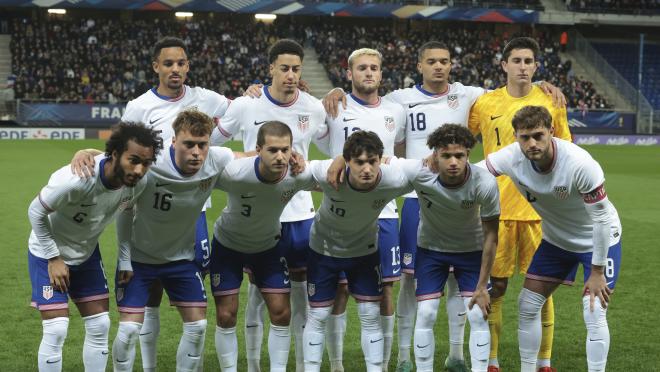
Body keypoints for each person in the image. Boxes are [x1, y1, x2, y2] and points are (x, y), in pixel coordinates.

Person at [322, 39, 566, 372]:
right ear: (419, 66)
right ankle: (406, 357)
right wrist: (338, 89)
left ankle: (457, 355)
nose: (439, 66)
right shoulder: (398, 101)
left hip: (460, 196)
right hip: (414, 198)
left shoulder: (471, 95)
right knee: (409, 280)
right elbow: (366, 105)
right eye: (432, 61)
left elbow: (513, 88)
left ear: (452, 65)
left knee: (457, 281)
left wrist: (538, 84)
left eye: (445, 61)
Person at [74, 36, 232, 372]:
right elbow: (120, 149)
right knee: (150, 295)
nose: (176, 69)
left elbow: (243, 111)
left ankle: (192, 363)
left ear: (188, 65)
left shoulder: (206, 98)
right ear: (156, 67)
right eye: (169, 63)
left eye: (182, 63)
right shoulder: (140, 106)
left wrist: (257, 94)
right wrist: (88, 152)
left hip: (194, 209)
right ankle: (146, 365)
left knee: (190, 291)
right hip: (147, 204)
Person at [211, 39, 327, 372]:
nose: (290, 75)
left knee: (299, 299)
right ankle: (252, 365)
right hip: (256, 213)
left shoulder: (313, 108)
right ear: (270, 69)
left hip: (300, 212)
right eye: (284, 68)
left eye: (296, 69)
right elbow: (211, 146)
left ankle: (305, 365)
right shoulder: (246, 105)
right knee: (256, 297)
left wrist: (336, 96)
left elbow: (334, 143)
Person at [481, 105, 621, 372]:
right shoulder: (511, 157)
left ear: (552, 132)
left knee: (593, 309)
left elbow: (602, 220)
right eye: (524, 137)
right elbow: (475, 173)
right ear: (516, 137)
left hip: (599, 240)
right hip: (557, 241)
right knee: (527, 304)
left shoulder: (580, 164)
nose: (532, 143)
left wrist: (597, 271)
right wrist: (432, 167)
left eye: (538, 135)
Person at [110, 110, 246, 372]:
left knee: (197, 327)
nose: (197, 152)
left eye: (202, 144)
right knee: (128, 331)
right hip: (139, 259)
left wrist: (291, 159)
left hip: (181, 260)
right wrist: (125, 259)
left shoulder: (216, 159)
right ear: (174, 141)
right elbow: (124, 208)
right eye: (189, 144)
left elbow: (248, 158)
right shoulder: (151, 164)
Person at [468, 37, 572, 372]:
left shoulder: (551, 100)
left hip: (538, 213)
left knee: (542, 289)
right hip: (495, 210)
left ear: (536, 66)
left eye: (529, 61)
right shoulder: (485, 103)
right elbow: (462, 138)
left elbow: (566, 151)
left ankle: (544, 361)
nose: (523, 67)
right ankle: (492, 361)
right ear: (504, 64)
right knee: (496, 286)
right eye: (516, 60)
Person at [27, 123, 161, 372]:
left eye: (146, 162)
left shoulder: (136, 183)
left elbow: (126, 214)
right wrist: (54, 258)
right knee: (56, 329)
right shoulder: (76, 181)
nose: (139, 169)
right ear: (115, 154)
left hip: (86, 254)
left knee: (100, 325)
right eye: (133, 160)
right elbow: (35, 212)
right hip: (47, 253)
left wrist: (125, 259)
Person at [315, 47, 406, 372]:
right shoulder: (334, 107)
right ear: (349, 73)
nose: (368, 73)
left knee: (385, 291)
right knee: (339, 290)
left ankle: (380, 364)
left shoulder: (397, 111)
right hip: (343, 213)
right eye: (362, 68)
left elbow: (399, 153)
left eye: (374, 68)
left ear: (381, 74)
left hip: (384, 214)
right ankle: (337, 364)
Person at [211, 121, 317, 372]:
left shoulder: (296, 175)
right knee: (226, 315)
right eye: (272, 150)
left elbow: (331, 173)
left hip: (268, 248)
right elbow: (196, 172)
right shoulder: (235, 172)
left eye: (285, 150)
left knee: (281, 312)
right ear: (258, 149)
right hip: (228, 246)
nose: (280, 156)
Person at [392, 124, 499, 372]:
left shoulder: (484, 183)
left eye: (459, 155)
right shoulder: (419, 172)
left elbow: (492, 236)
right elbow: (383, 161)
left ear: (468, 155)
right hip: (431, 250)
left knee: (477, 313)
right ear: (435, 155)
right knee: (427, 312)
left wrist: (482, 286)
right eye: (446, 155)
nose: (453, 162)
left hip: (471, 251)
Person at [303, 131, 412, 372]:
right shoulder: (326, 171)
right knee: (318, 315)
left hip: (364, 252)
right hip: (323, 251)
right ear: (347, 161)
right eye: (359, 162)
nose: (366, 169)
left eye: (371, 161)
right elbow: (295, 170)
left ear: (380, 160)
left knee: (370, 314)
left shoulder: (393, 179)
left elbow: (425, 169)